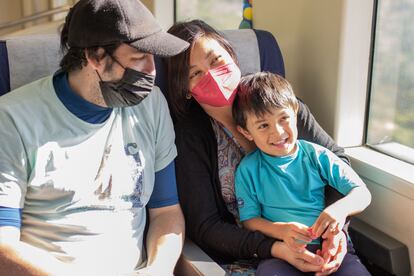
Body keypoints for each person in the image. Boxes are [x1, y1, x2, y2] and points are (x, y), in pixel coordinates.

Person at [0, 0, 189, 275]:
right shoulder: (13, 119)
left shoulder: (151, 105)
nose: (152, 71)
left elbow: (166, 212)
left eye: (153, 57)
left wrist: (158, 269)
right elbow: (4, 248)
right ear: (96, 57)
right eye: (138, 57)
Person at [166, 19, 352, 274]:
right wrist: (275, 248)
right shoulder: (189, 137)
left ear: (232, 56)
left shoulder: (280, 106)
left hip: (318, 241)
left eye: (215, 60)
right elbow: (206, 226)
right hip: (249, 254)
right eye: (195, 73)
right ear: (184, 89)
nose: (210, 75)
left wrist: (334, 227)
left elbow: (338, 162)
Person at [233, 72, 372, 275]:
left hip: (330, 250)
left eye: (283, 119)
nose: (278, 132)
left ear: (295, 112)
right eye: (263, 125)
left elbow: (362, 193)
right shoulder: (248, 170)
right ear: (246, 132)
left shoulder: (316, 155)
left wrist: (339, 210)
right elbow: (250, 220)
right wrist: (281, 230)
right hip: (282, 254)